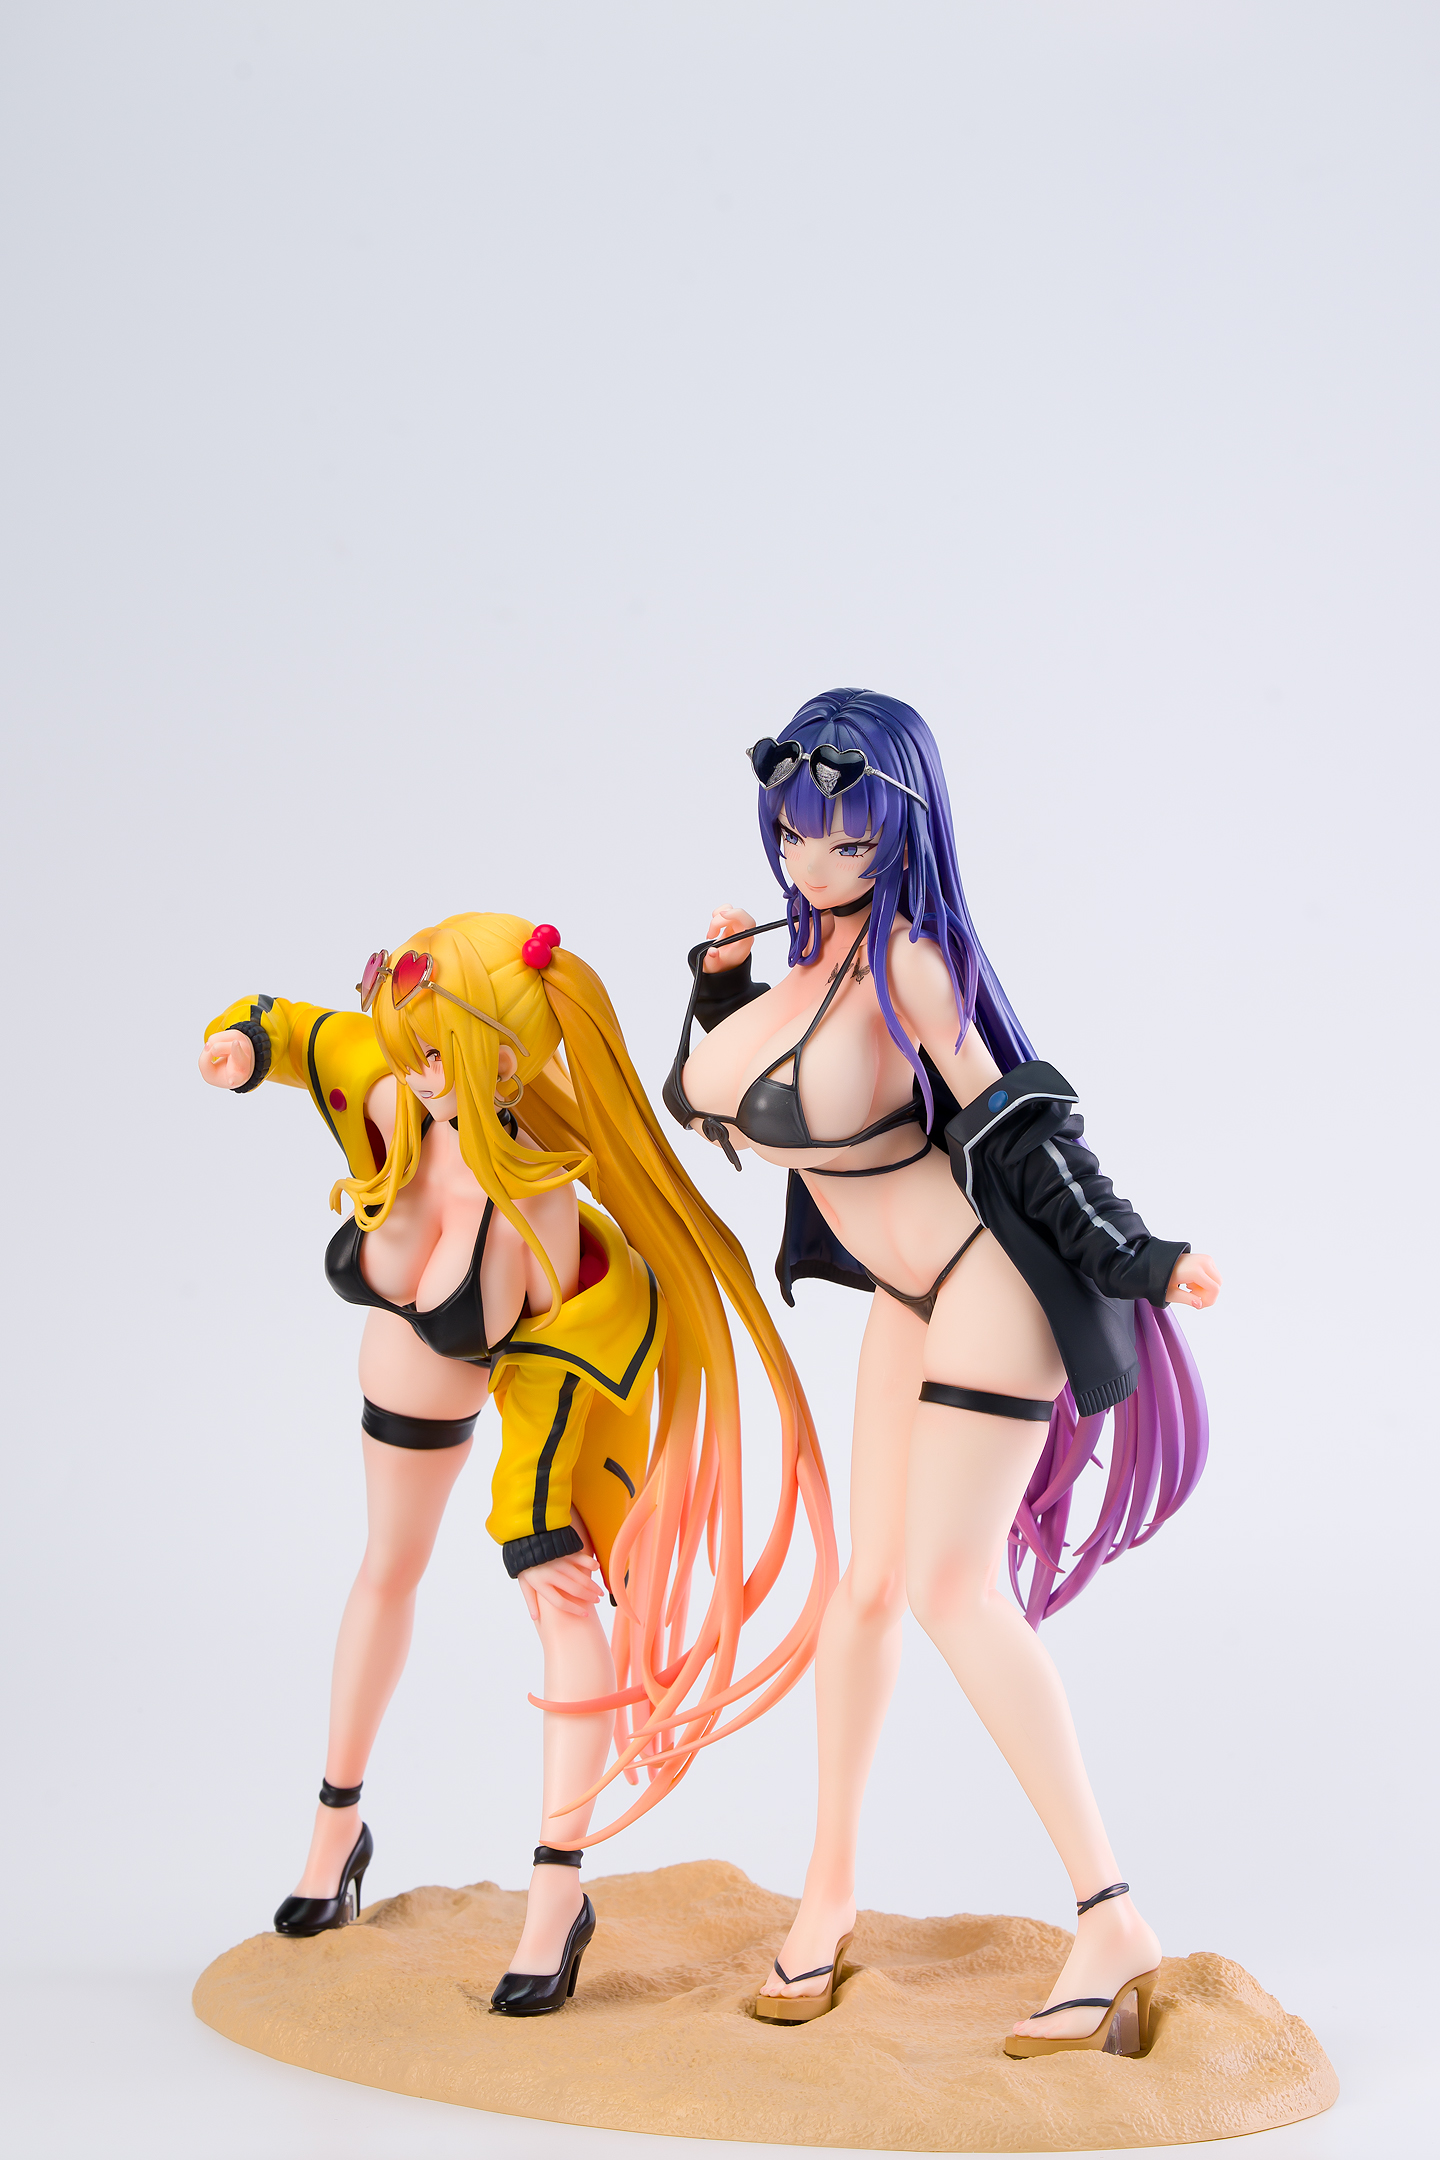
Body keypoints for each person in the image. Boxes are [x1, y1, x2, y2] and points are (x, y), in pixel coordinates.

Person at [665, 691, 1219, 2053]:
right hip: (908, 1298)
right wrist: (718, 989)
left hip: (986, 1286)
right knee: (861, 1592)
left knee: (949, 1593)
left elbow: (1022, 1120)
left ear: (899, 834)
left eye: (846, 840)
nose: (813, 862)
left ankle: (1111, 1913)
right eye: (793, 834)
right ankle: (829, 1897)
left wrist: (1135, 1255)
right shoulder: (799, 958)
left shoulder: (910, 962)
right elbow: (711, 1093)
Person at [201, 912, 832, 2014]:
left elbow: (551, 1386)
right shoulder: (395, 1097)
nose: (414, 1068)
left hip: (551, 1376)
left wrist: (531, 1523)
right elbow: (304, 1032)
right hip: (408, 1362)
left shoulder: (535, 1204)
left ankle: (557, 1891)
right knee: (384, 1570)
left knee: (558, 1596)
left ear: (503, 1058)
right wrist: (243, 1046)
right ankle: (336, 1831)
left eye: (437, 1050)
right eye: (407, 1044)